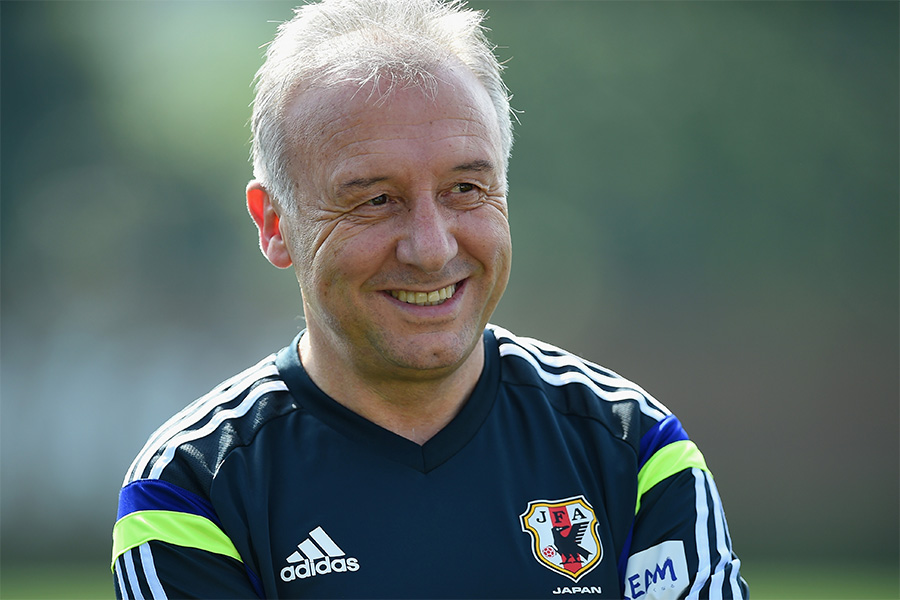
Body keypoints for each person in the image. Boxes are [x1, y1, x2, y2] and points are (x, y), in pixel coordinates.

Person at [111, 0, 749, 598]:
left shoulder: (632, 449)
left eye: (466, 188)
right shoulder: (192, 487)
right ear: (275, 224)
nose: (431, 247)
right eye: (375, 199)